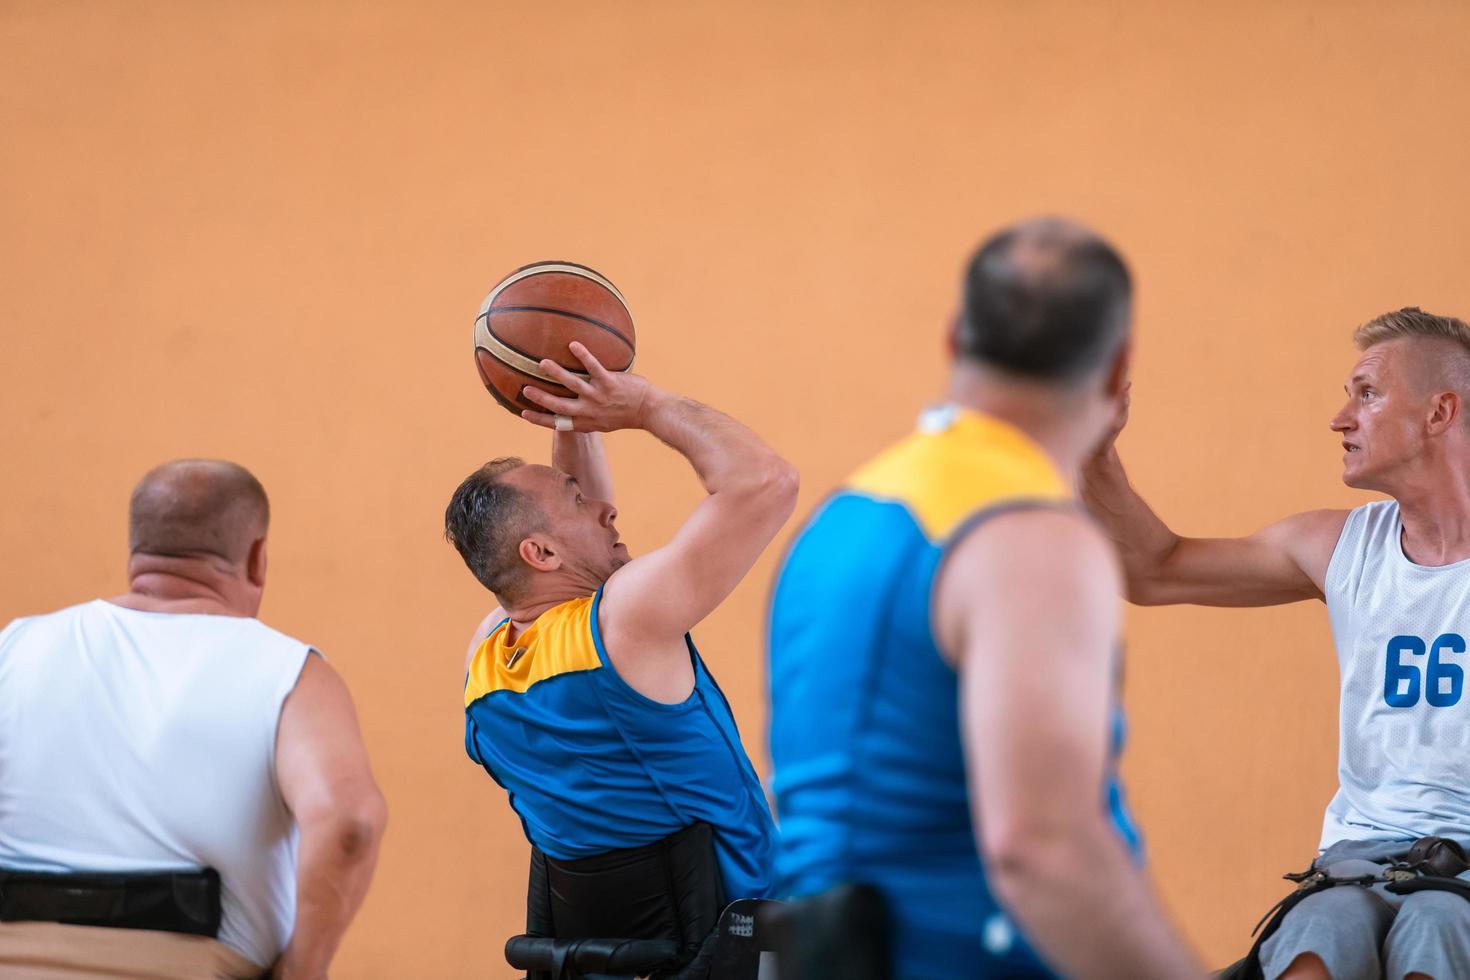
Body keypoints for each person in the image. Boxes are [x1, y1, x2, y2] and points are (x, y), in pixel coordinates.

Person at [767, 217, 1203, 978]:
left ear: (954, 338)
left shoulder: (845, 517)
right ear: (1118, 368)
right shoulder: (1030, 538)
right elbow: (1043, 849)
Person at [1080, 306, 1470, 980]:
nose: (1340, 417)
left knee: (1437, 932)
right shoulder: (1341, 546)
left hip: (1459, 879)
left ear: (1439, 413)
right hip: (1356, 860)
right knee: (1318, 936)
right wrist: (1096, 451)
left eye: (1367, 393)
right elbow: (1152, 569)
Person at [0, 459, 387, 980]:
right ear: (257, 559)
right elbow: (350, 825)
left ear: (136, 550)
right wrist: (303, 970)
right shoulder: (290, 671)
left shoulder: (16, 646)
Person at [446, 342, 798, 906]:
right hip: (740, 948)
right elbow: (766, 481)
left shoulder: (485, 659)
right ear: (540, 555)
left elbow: (583, 564)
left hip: (607, 957)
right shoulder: (622, 624)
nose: (606, 510)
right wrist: (646, 406)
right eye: (579, 502)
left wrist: (575, 414)